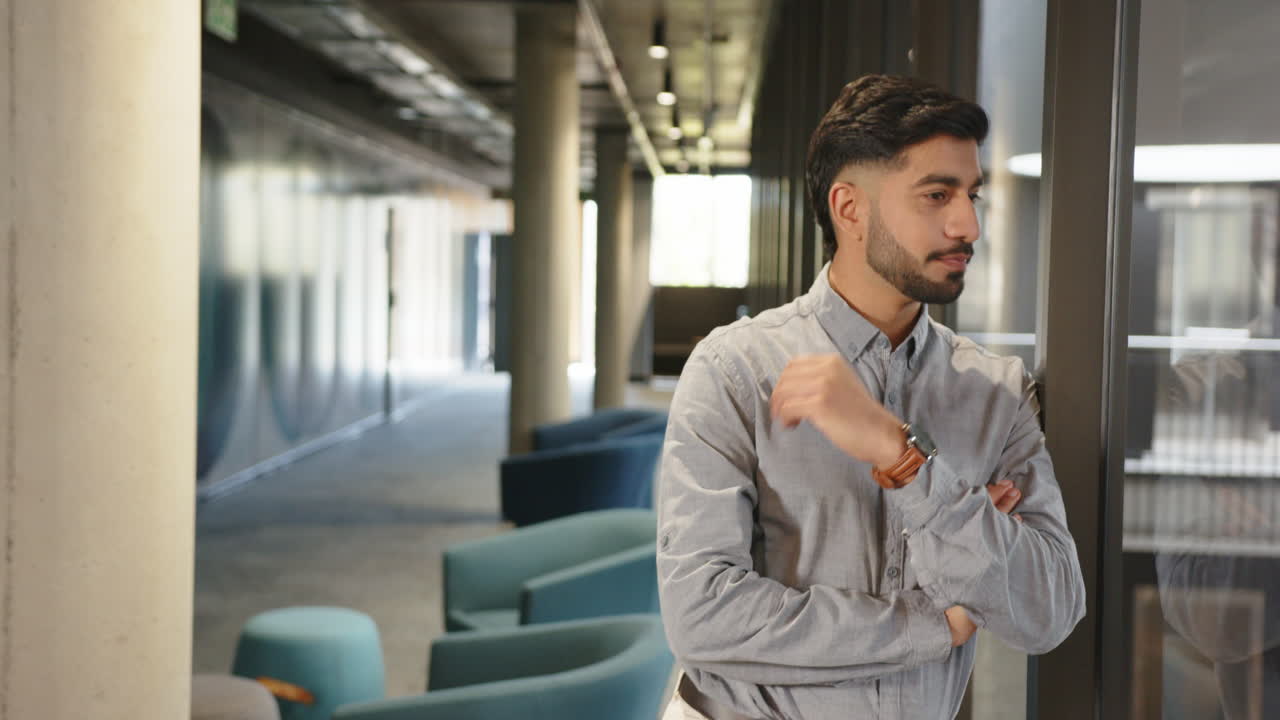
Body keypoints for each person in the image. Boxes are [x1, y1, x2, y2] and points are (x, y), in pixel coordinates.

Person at [656, 74, 1086, 720]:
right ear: (850, 209)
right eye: (937, 194)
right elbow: (703, 618)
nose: (968, 224)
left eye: (971, 195)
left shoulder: (997, 393)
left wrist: (903, 457)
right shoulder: (734, 370)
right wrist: (934, 619)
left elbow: (1048, 611)